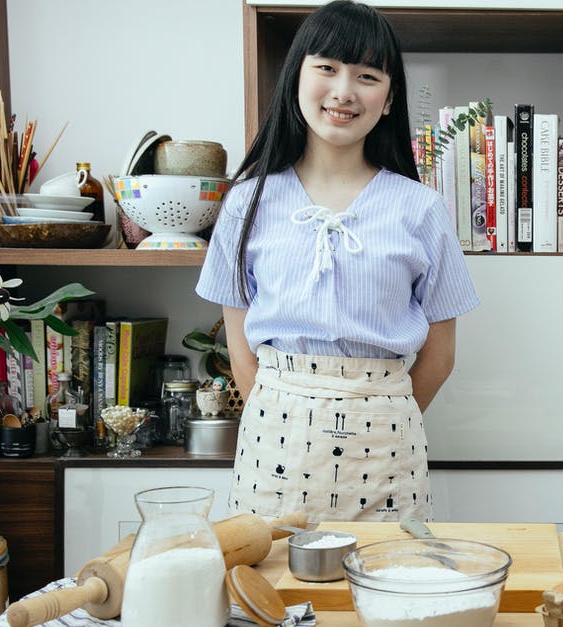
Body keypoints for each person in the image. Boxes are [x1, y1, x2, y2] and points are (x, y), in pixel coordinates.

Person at [195, 0, 478, 523]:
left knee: (386, 591)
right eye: (326, 68)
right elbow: (239, 350)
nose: (344, 91)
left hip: (388, 448)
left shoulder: (421, 209)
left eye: (367, 75)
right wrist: (285, 415)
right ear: (295, 77)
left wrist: (381, 415)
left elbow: (439, 356)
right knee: (271, 597)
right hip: (274, 443)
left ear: (389, 99)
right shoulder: (247, 202)